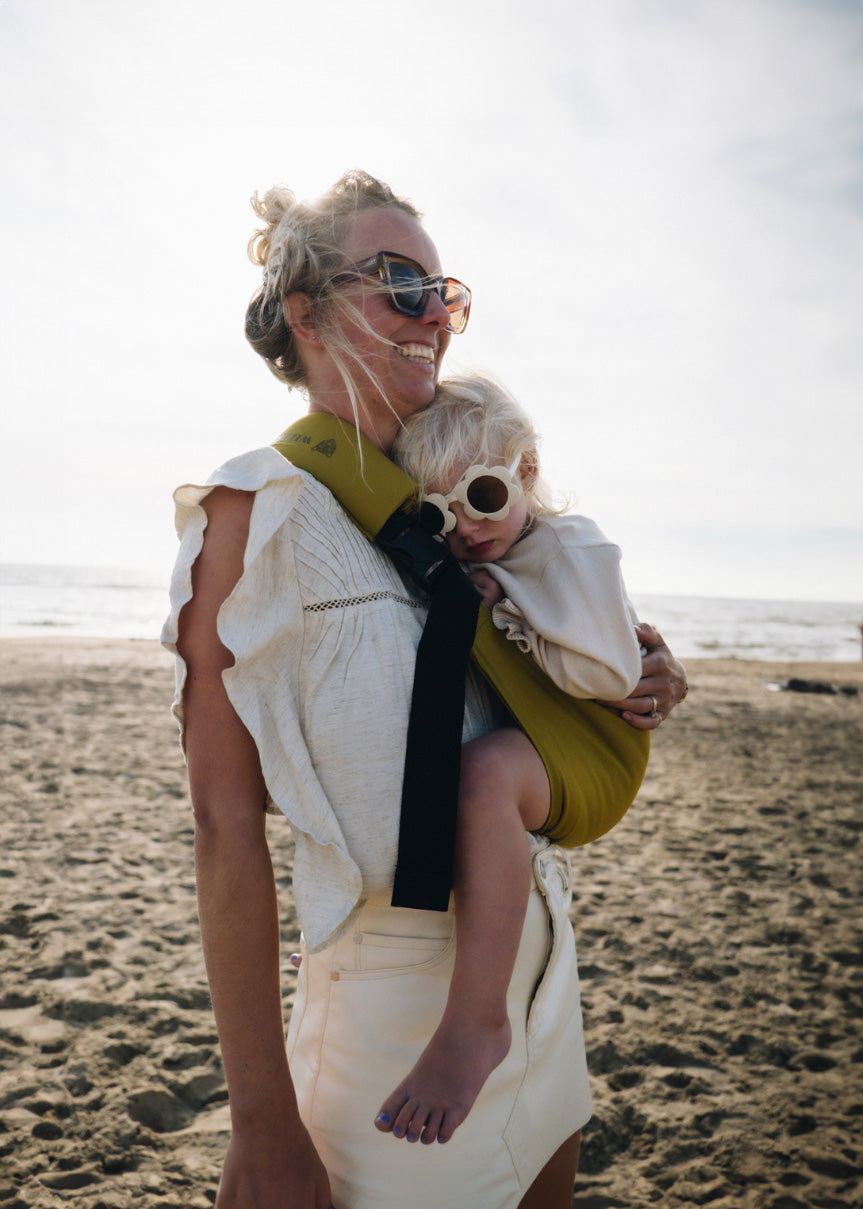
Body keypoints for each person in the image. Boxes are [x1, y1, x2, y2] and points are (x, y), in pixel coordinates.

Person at [161, 171, 686, 1209]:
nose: (433, 317)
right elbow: (224, 826)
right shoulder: (256, 512)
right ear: (306, 316)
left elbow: (555, 623)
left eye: (443, 292)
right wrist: (262, 1121)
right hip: (394, 1025)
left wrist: (653, 665)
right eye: (400, 283)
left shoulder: (448, 496)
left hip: (535, 977)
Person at [371, 374, 643, 1147]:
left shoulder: (570, 545)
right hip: (551, 729)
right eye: (439, 514)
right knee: (442, 757)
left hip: (595, 741)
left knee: (485, 773)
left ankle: (476, 1021)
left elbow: (609, 675)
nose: (464, 526)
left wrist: (509, 611)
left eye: (482, 495)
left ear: (525, 472)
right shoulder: (500, 550)